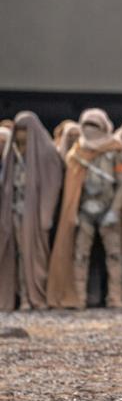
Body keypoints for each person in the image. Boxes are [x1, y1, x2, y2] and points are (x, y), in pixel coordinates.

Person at [47, 108, 122, 309]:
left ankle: (115, 297)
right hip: (85, 208)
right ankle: (79, 297)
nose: (89, 129)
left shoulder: (116, 151)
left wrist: (115, 210)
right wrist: (73, 210)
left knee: (114, 254)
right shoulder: (77, 151)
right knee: (80, 255)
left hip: (108, 207)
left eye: (94, 125)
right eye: (86, 124)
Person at [0, 112, 63, 311]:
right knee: (18, 254)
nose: (19, 135)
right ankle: (24, 297)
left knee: (34, 256)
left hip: (35, 215)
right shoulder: (13, 153)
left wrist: (45, 214)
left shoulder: (46, 152)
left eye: (23, 130)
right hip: (15, 211)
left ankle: (37, 295)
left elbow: (52, 185)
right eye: (17, 130)